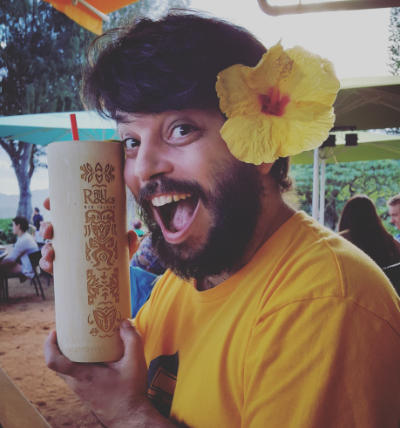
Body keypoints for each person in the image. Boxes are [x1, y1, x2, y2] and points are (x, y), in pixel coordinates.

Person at [40, 11, 400, 427]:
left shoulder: (324, 303)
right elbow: (124, 374)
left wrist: (127, 414)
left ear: (260, 147)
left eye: (181, 130)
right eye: (132, 141)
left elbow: (127, 404)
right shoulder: (186, 279)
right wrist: (88, 283)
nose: (143, 169)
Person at [338, 194, 400, 269]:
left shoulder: (340, 241)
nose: (391, 220)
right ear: (374, 217)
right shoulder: (390, 241)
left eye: (395, 215)